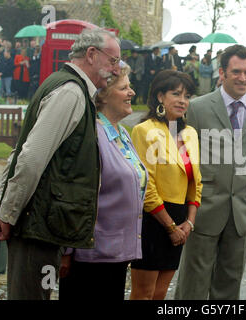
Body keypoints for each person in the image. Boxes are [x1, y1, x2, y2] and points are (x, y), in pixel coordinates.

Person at [0, 28, 121, 300]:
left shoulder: (72, 89)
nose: (116, 70)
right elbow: (31, 157)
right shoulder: (71, 92)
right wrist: (8, 213)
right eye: (113, 60)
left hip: (44, 225)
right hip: (37, 227)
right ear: (92, 55)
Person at [175, 44, 246, 300]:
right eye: (237, 71)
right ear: (222, 72)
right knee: (193, 282)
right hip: (204, 208)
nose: (243, 78)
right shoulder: (197, 108)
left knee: (231, 281)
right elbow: (187, 158)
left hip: (243, 210)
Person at [58, 63, 147, 300]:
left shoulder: (122, 134)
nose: (132, 93)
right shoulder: (92, 136)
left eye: (131, 87)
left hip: (116, 253)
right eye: (124, 88)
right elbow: (74, 193)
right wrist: (66, 250)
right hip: (91, 255)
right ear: (103, 96)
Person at [130, 70, 202, 300]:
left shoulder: (189, 133)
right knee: (144, 294)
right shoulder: (145, 130)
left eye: (187, 95)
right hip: (153, 220)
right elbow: (145, 185)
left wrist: (189, 222)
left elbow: (196, 183)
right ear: (160, 96)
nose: (183, 100)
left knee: (160, 294)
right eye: (176, 93)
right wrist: (170, 227)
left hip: (181, 219)